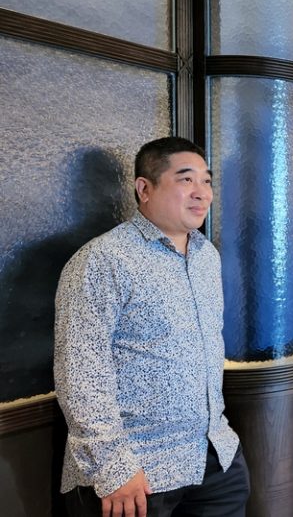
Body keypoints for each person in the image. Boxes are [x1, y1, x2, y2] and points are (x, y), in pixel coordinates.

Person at [54, 137, 250, 517]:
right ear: (144, 189)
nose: (202, 193)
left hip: (214, 458)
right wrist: (113, 467)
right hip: (136, 474)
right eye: (186, 179)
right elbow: (80, 372)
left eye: (207, 181)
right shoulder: (102, 260)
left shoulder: (207, 256)